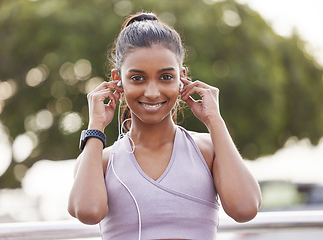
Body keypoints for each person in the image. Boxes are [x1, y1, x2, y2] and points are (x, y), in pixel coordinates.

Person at [68, 12, 262, 240]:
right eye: (137, 78)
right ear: (117, 79)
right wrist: (96, 126)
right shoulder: (100, 160)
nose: (152, 92)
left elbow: (245, 208)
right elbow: (88, 212)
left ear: (182, 77)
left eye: (166, 77)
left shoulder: (207, 150)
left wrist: (214, 120)